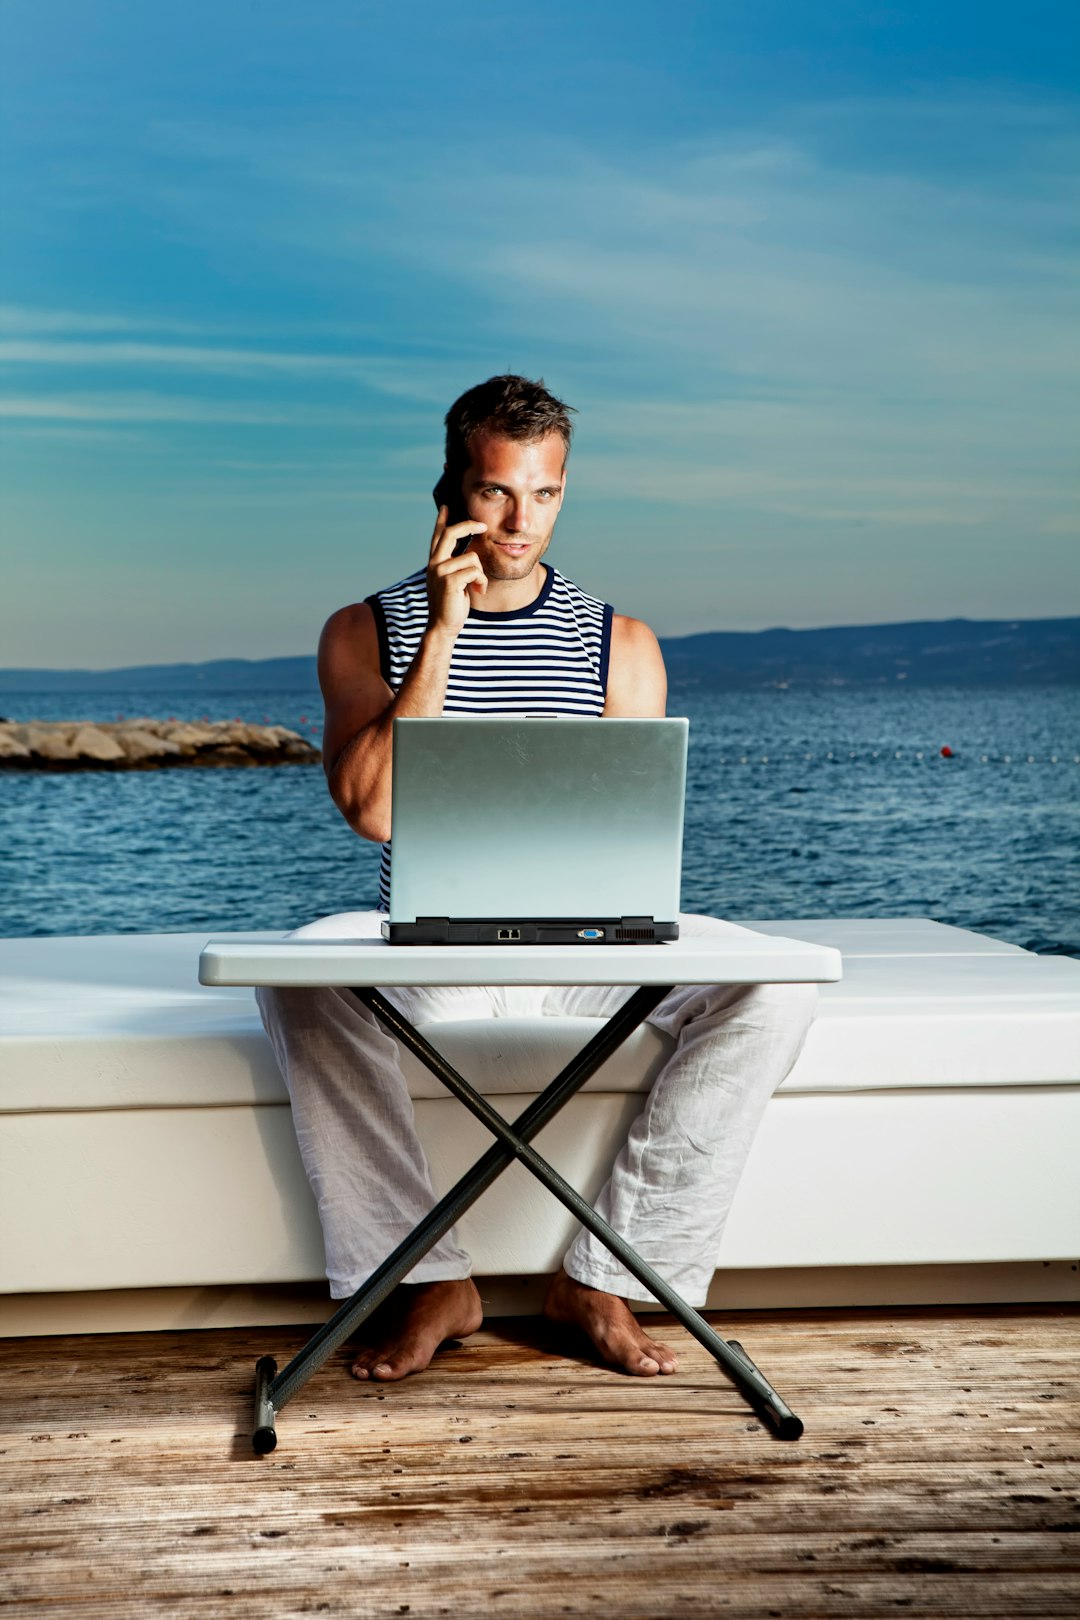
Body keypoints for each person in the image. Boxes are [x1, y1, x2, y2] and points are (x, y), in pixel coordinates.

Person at [256, 374, 816, 1382]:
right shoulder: (362, 629)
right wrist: (442, 630)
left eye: (545, 494)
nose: (520, 521)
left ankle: (605, 1276)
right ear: (450, 493)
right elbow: (373, 810)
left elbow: (627, 839)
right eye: (496, 491)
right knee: (295, 983)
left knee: (773, 986)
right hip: (432, 952)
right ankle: (433, 1281)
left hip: (586, 952)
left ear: (565, 491)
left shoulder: (624, 644)